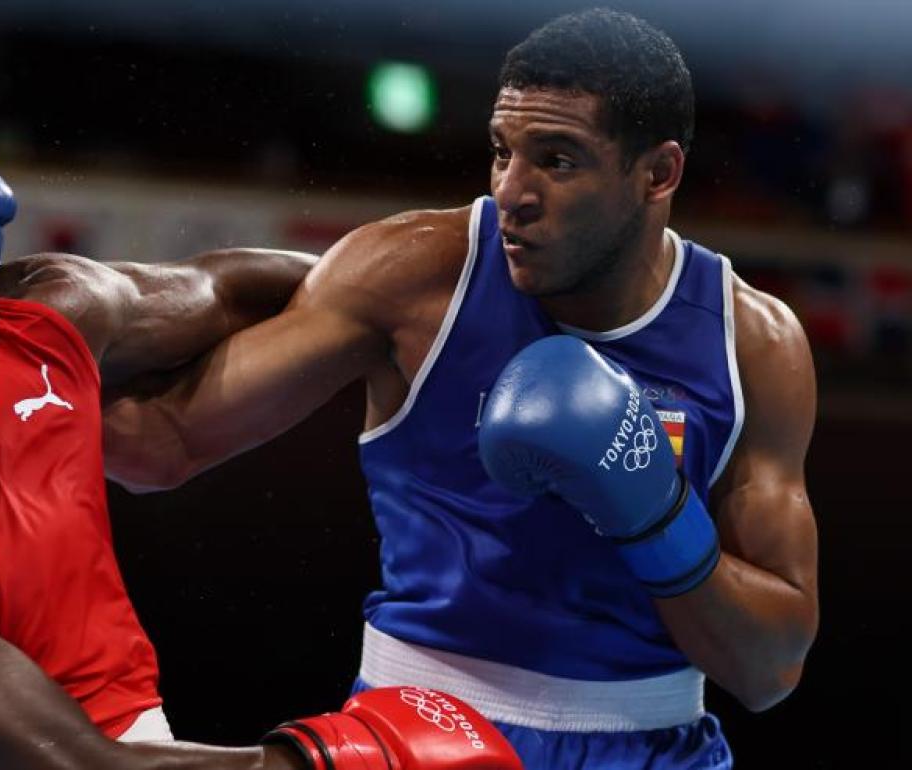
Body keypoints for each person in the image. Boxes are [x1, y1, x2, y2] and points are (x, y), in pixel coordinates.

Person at [102, 9, 819, 769]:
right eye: (503, 151)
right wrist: (20, 375)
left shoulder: (751, 346)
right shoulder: (417, 275)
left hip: (655, 746)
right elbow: (164, 443)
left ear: (658, 174)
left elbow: (769, 672)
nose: (513, 191)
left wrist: (656, 515)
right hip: (421, 731)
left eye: (558, 161)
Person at [0, 85, 524, 770]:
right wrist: (337, 761)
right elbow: (74, 766)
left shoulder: (38, 330)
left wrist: (452, 313)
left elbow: (233, 291)